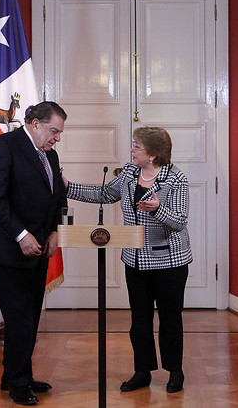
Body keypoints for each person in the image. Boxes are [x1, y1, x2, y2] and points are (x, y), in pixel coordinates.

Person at [63, 126, 192, 394]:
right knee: (139, 320)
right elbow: (105, 195)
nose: (131, 150)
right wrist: (67, 187)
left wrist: (158, 210)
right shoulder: (130, 173)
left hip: (169, 261)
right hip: (135, 260)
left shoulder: (175, 178)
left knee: (169, 320)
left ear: (154, 155)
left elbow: (179, 222)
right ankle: (142, 372)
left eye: (136, 147)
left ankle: (174, 372)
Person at [0, 101, 67, 406]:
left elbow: (57, 196)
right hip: (10, 248)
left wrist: (57, 229)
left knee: (29, 318)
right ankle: (19, 383)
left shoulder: (50, 155)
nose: (57, 138)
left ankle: (16, 375)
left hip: (40, 249)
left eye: (59, 132)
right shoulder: (4, 146)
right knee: (18, 318)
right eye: (54, 131)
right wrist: (21, 235)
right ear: (34, 123)